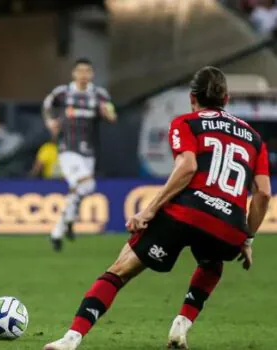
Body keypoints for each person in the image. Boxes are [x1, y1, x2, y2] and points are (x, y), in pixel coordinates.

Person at [43, 66, 271, 350]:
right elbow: (263, 194)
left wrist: (149, 210)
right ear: (226, 98)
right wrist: (247, 237)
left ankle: (71, 338)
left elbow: (187, 167)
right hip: (229, 225)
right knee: (212, 260)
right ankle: (182, 323)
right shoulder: (255, 138)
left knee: (120, 270)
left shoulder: (186, 123)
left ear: (192, 98)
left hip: (185, 213)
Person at [42, 58, 117, 251]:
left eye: (87, 71)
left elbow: (112, 115)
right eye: (80, 71)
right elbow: (47, 105)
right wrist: (50, 121)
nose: (84, 75)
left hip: (89, 151)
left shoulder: (99, 95)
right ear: (74, 73)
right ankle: (60, 229)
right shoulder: (63, 93)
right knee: (86, 183)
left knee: (80, 188)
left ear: (92, 74)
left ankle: (63, 225)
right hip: (68, 149)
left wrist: (107, 114)